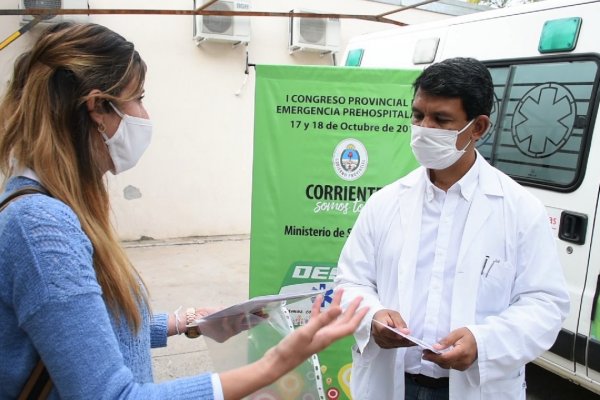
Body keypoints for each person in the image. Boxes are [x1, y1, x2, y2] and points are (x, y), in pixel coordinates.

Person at [0, 22, 368, 399]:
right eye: (138, 97)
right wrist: (275, 365)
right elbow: (112, 395)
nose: (144, 113)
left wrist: (188, 323)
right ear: (97, 108)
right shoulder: (41, 227)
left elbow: (87, 333)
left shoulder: (56, 208)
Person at [334, 57, 570, 399]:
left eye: (441, 119)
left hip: (474, 386)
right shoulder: (386, 202)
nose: (423, 128)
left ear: (478, 128)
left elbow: (545, 302)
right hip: (393, 382)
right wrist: (372, 317)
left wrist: (483, 343)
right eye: (418, 116)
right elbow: (350, 281)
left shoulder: (519, 210)